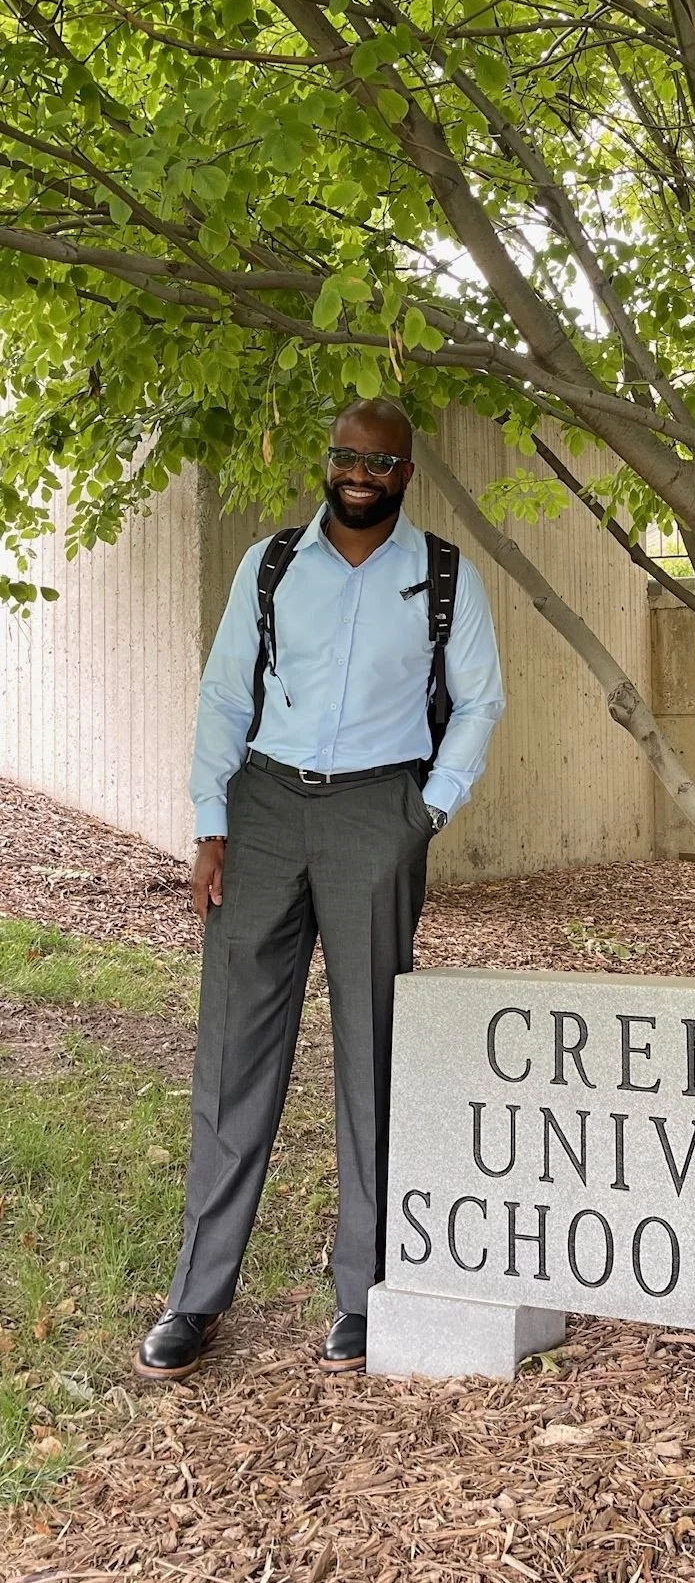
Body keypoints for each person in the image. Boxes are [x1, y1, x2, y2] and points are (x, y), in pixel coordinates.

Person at [135, 400, 504, 1380]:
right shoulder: (270, 566)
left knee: (373, 1054)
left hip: (375, 815)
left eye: (379, 461)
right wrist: (211, 823)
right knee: (232, 1053)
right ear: (327, 459)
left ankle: (363, 1294)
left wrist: (426, 813)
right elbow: (223, 694)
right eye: (346, 455)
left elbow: (480, 700)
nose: (359, 472)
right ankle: (197, 1295)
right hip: (263, 811)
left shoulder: (442, 580)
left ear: (405, 473)